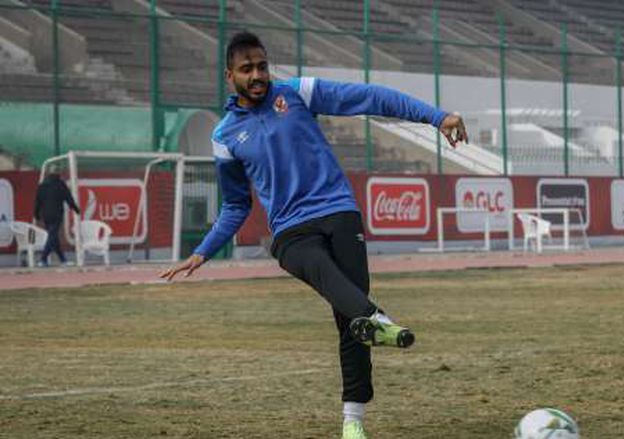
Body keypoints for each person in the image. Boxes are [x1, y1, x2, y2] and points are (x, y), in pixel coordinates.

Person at [159, 31, 468, 439]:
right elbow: (237, 205)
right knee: (326, 277)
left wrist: (436, 116)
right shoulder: (225, 138)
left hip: (338, 213)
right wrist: (203, 251)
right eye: (247, 68)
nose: (257, 75)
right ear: (229, 76)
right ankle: (377, 319)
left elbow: (371, 98)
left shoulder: (298, 92)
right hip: (289, 232)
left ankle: (352, 421)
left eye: (262, 66)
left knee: (348, 321)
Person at [34, 173, 80, 267]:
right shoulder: (60, 184)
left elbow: (37, 201)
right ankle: (43, 259)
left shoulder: (42, 186)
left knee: (53, 237)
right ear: (58, 177)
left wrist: (36, 214)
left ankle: (63, 260)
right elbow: (69, 198)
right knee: (52, 236)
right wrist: (76, 209)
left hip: (46, 215)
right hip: (57, 214)